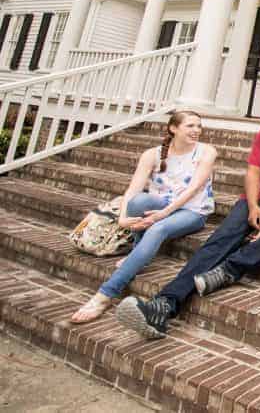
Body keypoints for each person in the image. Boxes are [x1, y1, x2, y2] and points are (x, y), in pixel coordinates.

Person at [116, 94, 260, 339]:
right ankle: (164, 304)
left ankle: (230, 269)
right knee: (221, 238)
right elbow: (253, 172)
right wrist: (254, 205)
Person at [70, 111, 216, 323]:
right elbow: (133, 191)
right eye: (190, 126)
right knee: (138, 202)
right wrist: (122, 218)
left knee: (157, 229)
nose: (196, 131)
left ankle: (105, 295)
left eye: (199, 126)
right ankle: (138, 252)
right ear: (173, 128)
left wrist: (162, 215)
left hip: (192, 210)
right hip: (162, 205)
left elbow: (193, 189)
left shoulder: (206, 152)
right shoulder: (152, 154)